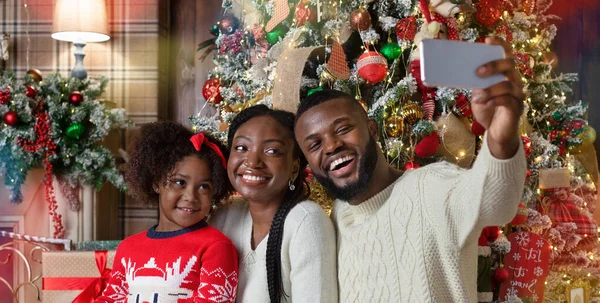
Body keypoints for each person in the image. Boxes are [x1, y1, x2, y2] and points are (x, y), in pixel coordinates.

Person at [293, 37, 527, 302]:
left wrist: (501, 133)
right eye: (314, 144)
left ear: (371, 129)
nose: (332, 146)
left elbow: (496, 202)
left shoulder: (429, 186)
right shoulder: (336, 219)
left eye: (343, 129)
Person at [95, 121, 238, 303]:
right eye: (180, 182)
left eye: (203, 186)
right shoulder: (128, 247)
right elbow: (111, 298)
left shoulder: (216, 247)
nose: (190, 196)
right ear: (156, 183)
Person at [210, 105, 337, 302]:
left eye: (272, 151)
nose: (252, 161)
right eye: (242, 148)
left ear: (294, 168)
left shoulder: (306, 222)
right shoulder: (225, 215)